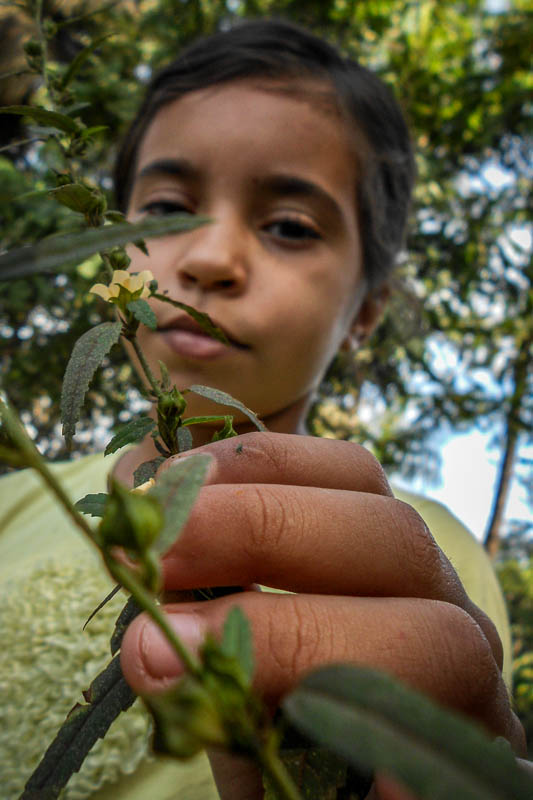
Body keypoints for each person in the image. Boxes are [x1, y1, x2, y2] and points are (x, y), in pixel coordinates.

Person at [0, 18, 526, 800]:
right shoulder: (15, 503)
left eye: (288, 226)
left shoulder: (414, 555)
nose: (208, 257)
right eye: (167, 211)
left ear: (365, 312)